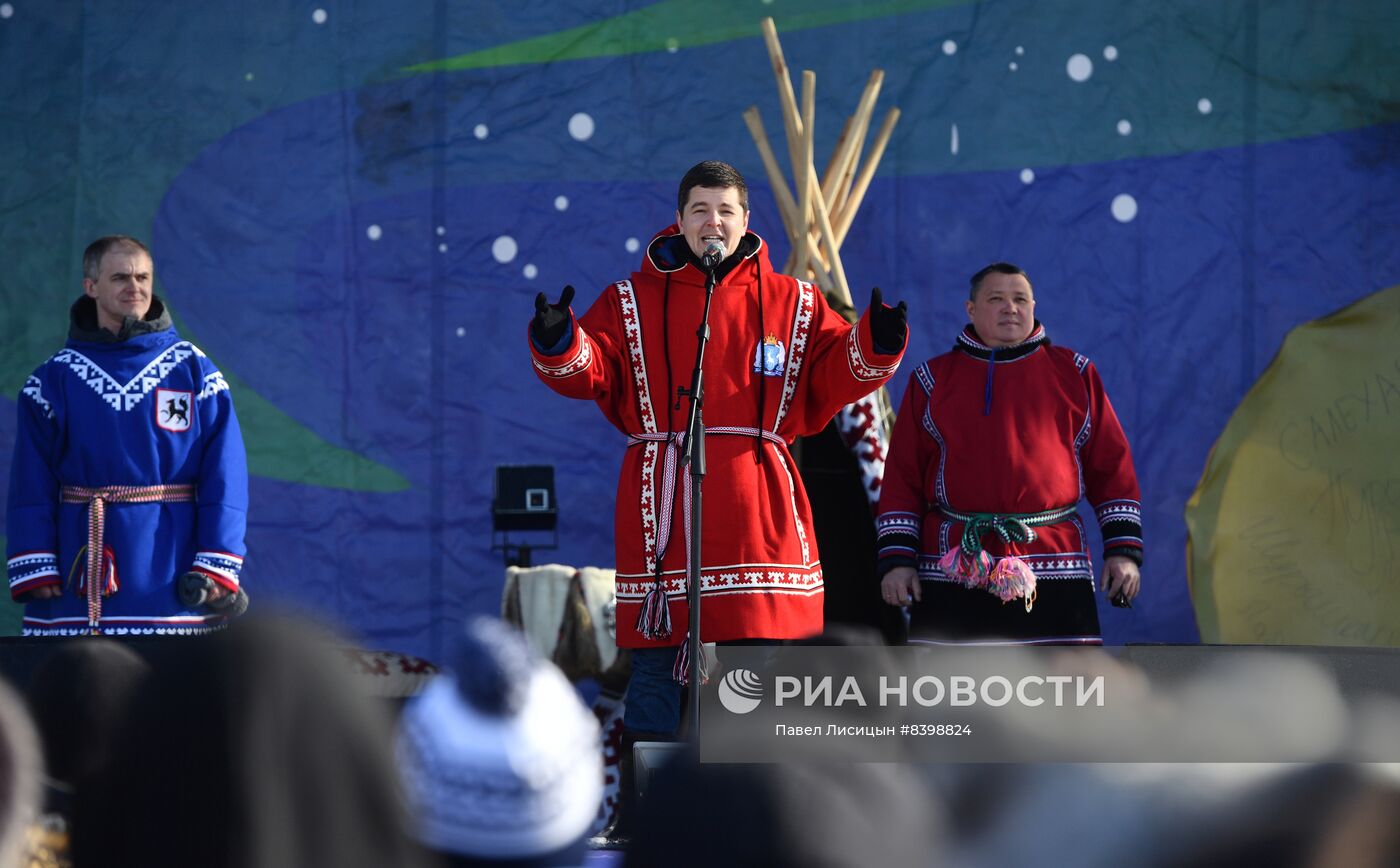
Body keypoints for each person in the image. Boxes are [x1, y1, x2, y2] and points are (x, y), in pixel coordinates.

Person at [527, 160, 907, 745]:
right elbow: (593, 369)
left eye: (725, 210)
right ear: (679, 220)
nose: (713, 222)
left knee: (752, 668)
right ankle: (650, 811)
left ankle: (744, 807)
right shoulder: (631, 300)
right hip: (663, 509)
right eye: (700, 210)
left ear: (745, 220)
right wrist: (560, 338)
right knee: (655, 669)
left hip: (757, 509)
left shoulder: (794, 302)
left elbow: (837, 371)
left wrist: (876, 337)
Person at [876, 262, 1142, 643]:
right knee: (951, 692)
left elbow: (1113, 469)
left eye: (1020, 299)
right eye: (996, 299)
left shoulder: (1076, 374)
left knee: (1061, 689)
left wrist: (1124, 551)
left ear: (1034, 306)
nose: (1010, 308)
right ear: (971, 309)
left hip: (1054, 561)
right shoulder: (931, 381)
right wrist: (897, 561)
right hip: (956, 562)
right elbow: (902, 477)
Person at [6, 235, 248, 635]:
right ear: (91, 287)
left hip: (172, 571)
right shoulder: (52, 378)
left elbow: (226, 474)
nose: (134, 286)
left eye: (142, 276)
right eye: (120, 277)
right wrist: (35, 559)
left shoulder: (194, 371)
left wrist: (217, 562)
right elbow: (30, 481)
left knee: (173, 694)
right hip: (77, 566)